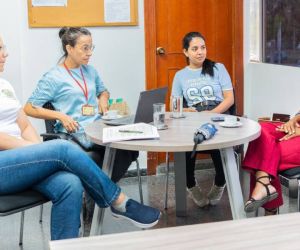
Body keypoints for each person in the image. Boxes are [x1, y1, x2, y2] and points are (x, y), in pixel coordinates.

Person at [0, 36, 160, 241]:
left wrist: (36, 152)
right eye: (0, 48)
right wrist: (32, 150)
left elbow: (24, 125)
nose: (6, 53)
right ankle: (118, 201)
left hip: (20, 160)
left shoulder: (4, 85)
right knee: (61, 148)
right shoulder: (54, 76)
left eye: (4, 47)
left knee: (71, 184)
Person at [24, 27, 136, 183]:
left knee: (130, 148)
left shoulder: (90, 71)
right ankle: (102, 193)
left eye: (91, 47)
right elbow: (29, 107)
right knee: (113, 150)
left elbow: (103, 91)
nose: (89, 52)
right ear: (69, 48)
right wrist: (60, 116)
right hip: (75, 134)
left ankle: (98, 191)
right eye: (85, 48)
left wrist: (103, 99)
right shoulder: (53, 77)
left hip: (98, 128)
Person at [171, 31, 234, 207]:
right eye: (195, 48)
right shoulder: (180, 76)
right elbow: (174, 106)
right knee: (190, 141)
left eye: (203, 47)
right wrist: (187, 110)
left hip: (218, 112)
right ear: (185, 52)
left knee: (216, 141)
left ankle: (221, 182)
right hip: (194, 115)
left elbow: (229, 98)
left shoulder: (218, 68)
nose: (200, 52)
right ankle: (190, 184)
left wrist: (212, 113)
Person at [243, 116, 300, 215]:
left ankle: (268, 201)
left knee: (263, 149)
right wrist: (293, 120)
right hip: (297, 126)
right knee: (260, 129)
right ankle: (264, 185)